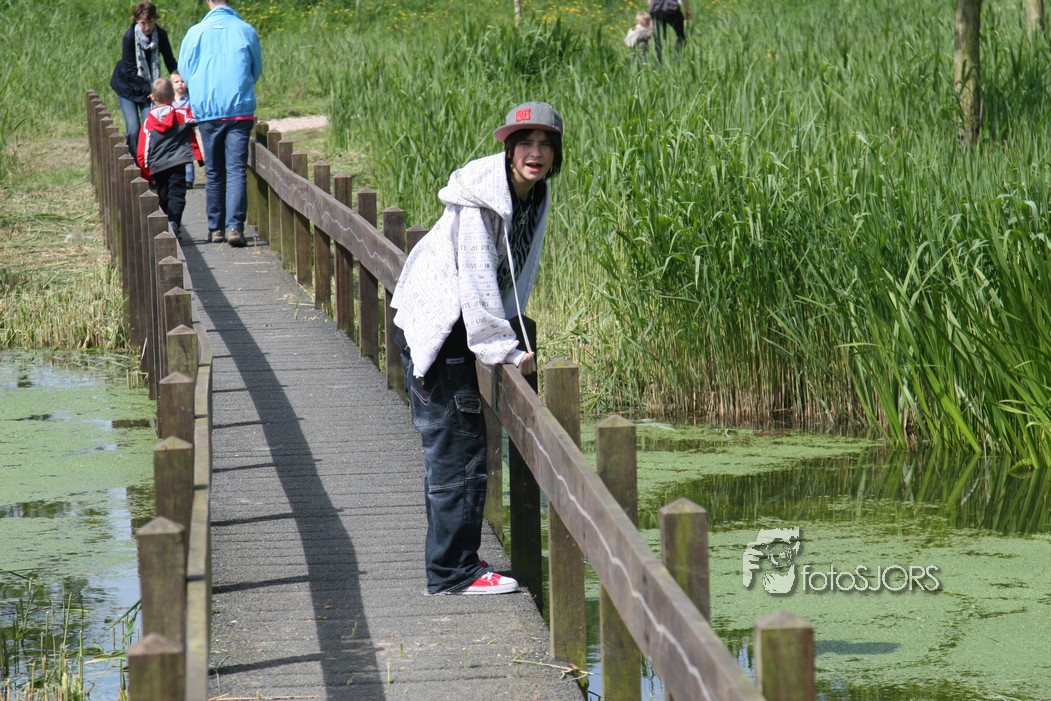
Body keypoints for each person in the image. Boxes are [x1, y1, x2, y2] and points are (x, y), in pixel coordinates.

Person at [391, 102, 564, 596]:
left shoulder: (532, 194)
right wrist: (503, 347)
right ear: (509, 150)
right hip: (443, 327)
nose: (535, 153)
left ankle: (454, 559)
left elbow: (515, 271)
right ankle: (452, 572)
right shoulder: (482, 200)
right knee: (459, 450)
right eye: (525, 143)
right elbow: (477, 279)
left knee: (455, 447)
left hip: (453, 325)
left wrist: (512, 329)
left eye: (545, 144)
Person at [178, 0, 262, 248]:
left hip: (208, 111)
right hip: (239, 109)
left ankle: (216, 228)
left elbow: (184, 70)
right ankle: (235, 226)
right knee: (236, 169)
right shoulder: (245, 30)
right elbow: (256, 68)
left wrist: (201, 91)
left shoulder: (195, 33)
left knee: (214, 171)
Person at [136, 77, 204, 240]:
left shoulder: (148, 123)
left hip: (158, 166)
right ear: (173, 96)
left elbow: (142, 151)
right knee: (177, 194)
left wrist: (146, 173)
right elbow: (199, 117)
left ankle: (166, 224)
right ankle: (174, 222)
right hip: (177, 163)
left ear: (152, 97)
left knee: (163, 193)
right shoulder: (181, 115)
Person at [110, 2, 178, 157]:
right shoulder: (129, 37)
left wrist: (176, 76)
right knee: (133, 129)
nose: (147, 27)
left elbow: (169, 59)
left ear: (155, 19)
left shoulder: (161, 35)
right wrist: (153, 91)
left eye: (150, 22)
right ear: (136, 21)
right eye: (142, 23)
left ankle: (149, 162)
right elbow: (131, 70)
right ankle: (135, 164)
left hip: (148, 88)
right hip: (127, 86)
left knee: (150, 126)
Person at [171, 71, 196, 189]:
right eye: (176, 82)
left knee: (188, 154)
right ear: (172, 84)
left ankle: (189, 179)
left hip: (187, 131)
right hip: (173, 132)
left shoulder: (190, 99)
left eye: (182, 81)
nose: (180, 84)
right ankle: (176, 177)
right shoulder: (169, 99)